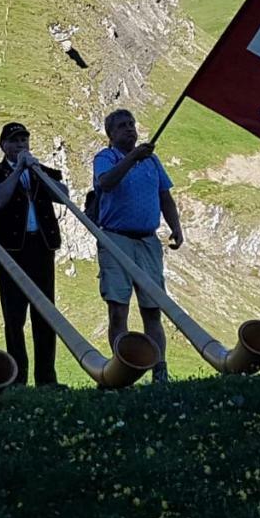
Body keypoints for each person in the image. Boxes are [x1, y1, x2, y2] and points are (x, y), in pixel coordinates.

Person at [92, 108, 184, 384]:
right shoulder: (106, 157)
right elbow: (105, 182)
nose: (129, 129)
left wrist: (176, 227)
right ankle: (123, 370)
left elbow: (164, 196)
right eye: (122, 126)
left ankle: (160, 370)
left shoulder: (151, 161)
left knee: (152, 308)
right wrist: (133, 157)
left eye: (131, 124)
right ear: (110, 134)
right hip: (115, 239)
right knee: (118, 308)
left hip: (147, 241)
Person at [0, 122, 70, 388]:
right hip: (11, 252)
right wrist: (18, 170)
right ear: (3, 146)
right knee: (14, 316)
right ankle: (17, 379)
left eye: (24, 141)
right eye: (15, 141)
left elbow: (63, 197)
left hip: (41, 248)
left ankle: (46, 378)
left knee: (45, 313)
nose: (21, 146)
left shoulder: (42, 172)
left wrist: (37, 171)